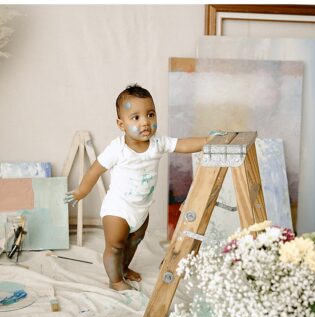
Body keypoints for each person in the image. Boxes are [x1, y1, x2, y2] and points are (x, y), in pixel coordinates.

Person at [65, 84, 217, 291]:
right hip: (118, 208)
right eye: (135, 117)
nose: (145, 122)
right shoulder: (117, 149)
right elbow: (94, 170)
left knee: (135, 240)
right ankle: (115, 280)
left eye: (150, 114)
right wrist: (81, 191)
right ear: (121, 124)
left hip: (141, 208)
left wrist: (207, 141)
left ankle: (124, 268)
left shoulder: (158, 143)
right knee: (116, 245)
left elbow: (183, 144)